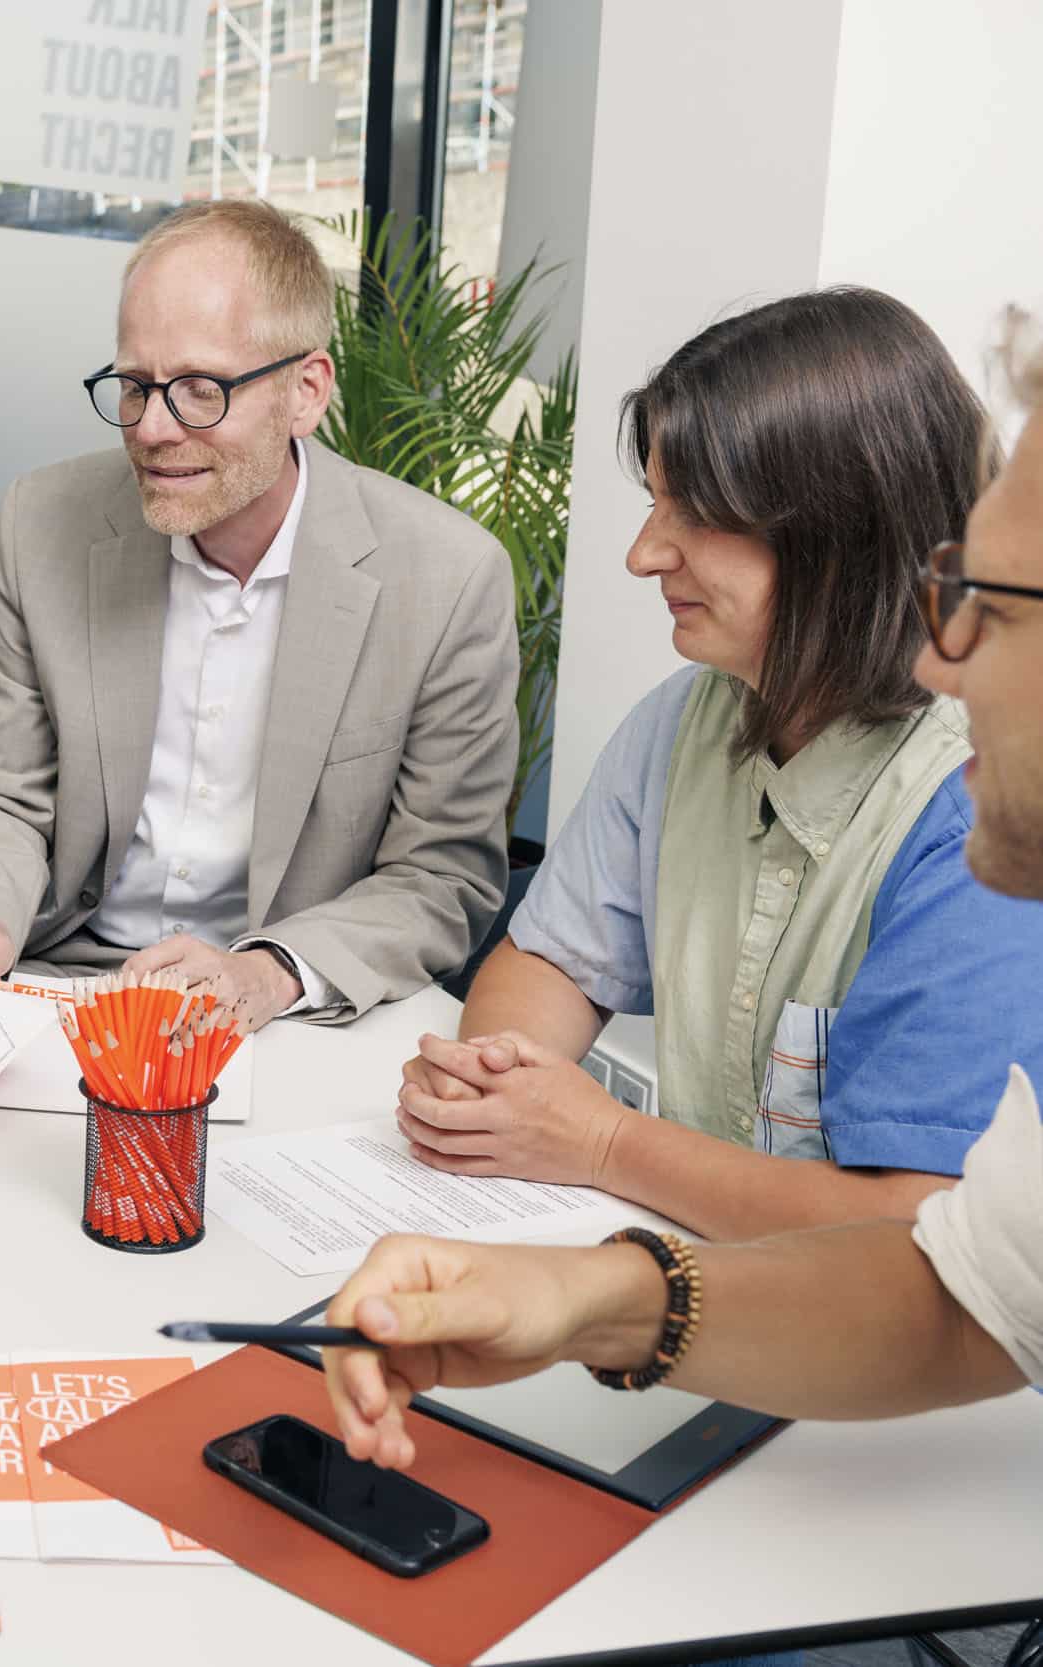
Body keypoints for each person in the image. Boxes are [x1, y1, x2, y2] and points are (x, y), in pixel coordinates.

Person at [321, 311, 1043, 1473]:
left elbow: (922, 1245)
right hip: (721, 1329)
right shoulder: (689, 724)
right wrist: (516, 1140)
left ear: (842, 541)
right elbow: (965, 1285)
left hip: (865, 1459)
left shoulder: (973, 810)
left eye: (991, 605)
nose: (643, 553)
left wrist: (601, 1143)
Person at [0, 198, 518, 1031]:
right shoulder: (39, 522)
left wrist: (270, 973)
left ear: (306, 392)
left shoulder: (449, 578)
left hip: (293, 1006)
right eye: (134, 385)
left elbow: (441, 876)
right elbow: (1, 797)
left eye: (200, 389)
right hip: (62, 981)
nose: (154, 429)